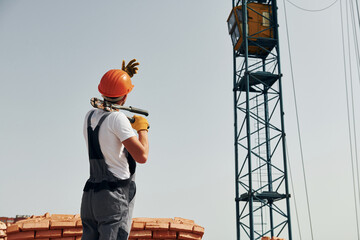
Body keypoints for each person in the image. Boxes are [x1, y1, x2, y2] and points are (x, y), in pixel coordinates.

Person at [80, 59, 149, 240]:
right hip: (112, 197)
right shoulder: (118, 121)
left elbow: (109, 117)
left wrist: (120, 79)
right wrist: (143, 129)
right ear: (125, 97)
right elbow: (142, 156)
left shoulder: (89, 116)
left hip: (90, 197)